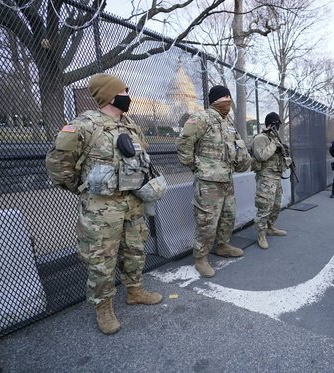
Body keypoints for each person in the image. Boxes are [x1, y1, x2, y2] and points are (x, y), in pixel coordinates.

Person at [45, 74, 163, 335]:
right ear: (111, 95)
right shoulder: (84, 125)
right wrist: (79, 187)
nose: (128, 95)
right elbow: (57, 163)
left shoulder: (131, 125)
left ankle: (134, 290)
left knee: (135, 249)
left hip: (133, 201)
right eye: (124, 90)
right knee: (102, 258)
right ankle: (104, 307)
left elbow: (141, 158)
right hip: (101, 207)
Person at [176, 85, 251, 278]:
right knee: (207, 221)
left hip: (227, 179)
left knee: (228, 216)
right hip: (208, 182)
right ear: (215, 99)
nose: (228, 100)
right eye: (224, 96)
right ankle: (201, 258)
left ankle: (222, 245)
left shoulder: (228, 123)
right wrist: (197, 167)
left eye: (229, 96)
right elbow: (184, 144)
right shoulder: (201, 118)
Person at [251, 112, 292, 249]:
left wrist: (286, 157)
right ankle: (261, 234)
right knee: (264, 207)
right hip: (265, 178)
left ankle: (271, 227)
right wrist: (275, 145)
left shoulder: (277, 139)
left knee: (276, 205)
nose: (277, 128)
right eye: (275, 125)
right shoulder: (261, 138)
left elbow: (279, 159)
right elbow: (261, 156)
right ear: (269, 124)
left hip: (276, 177)